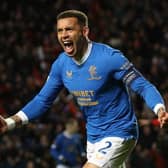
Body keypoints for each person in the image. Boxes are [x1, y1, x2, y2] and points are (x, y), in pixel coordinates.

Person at [0, 9, 168, 168]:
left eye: (69, 29)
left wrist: (160, 110)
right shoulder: (61, 65)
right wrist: (9, 122)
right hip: (93, 138)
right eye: (60, 30)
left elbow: (142, 86)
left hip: (120, 132)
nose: (64, 34)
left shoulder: (109, 58)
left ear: (84, 31)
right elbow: (43, 100)